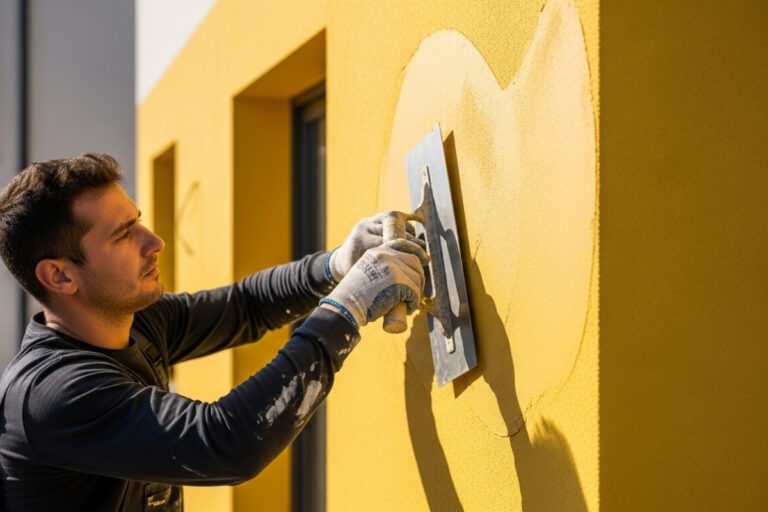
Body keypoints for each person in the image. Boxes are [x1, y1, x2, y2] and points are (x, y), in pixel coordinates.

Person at [0, 154, 428, 511]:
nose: (155, 242)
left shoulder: (136, 320)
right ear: (59, 275)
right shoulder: (52, 397)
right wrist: (346, 309)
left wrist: (334, 266)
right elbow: (227, 443)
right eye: (124, 235)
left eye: (138, 222)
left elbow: (244, 305)